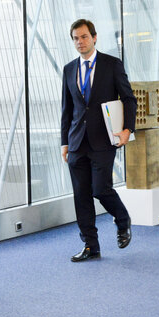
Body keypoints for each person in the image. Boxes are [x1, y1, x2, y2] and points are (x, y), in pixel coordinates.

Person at [61, 19, 137, 262]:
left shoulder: (111, 65)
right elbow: (67, 108)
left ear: (94, 38)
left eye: (84, 37)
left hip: (104, 139)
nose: (80, 42)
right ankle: (91, 246)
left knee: (99, 189)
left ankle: (122, 218)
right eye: (75, 38)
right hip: (76, 142)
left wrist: (127, 129)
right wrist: (64, 142)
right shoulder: (69, 69)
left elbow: (128, 99)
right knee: (81, 195)